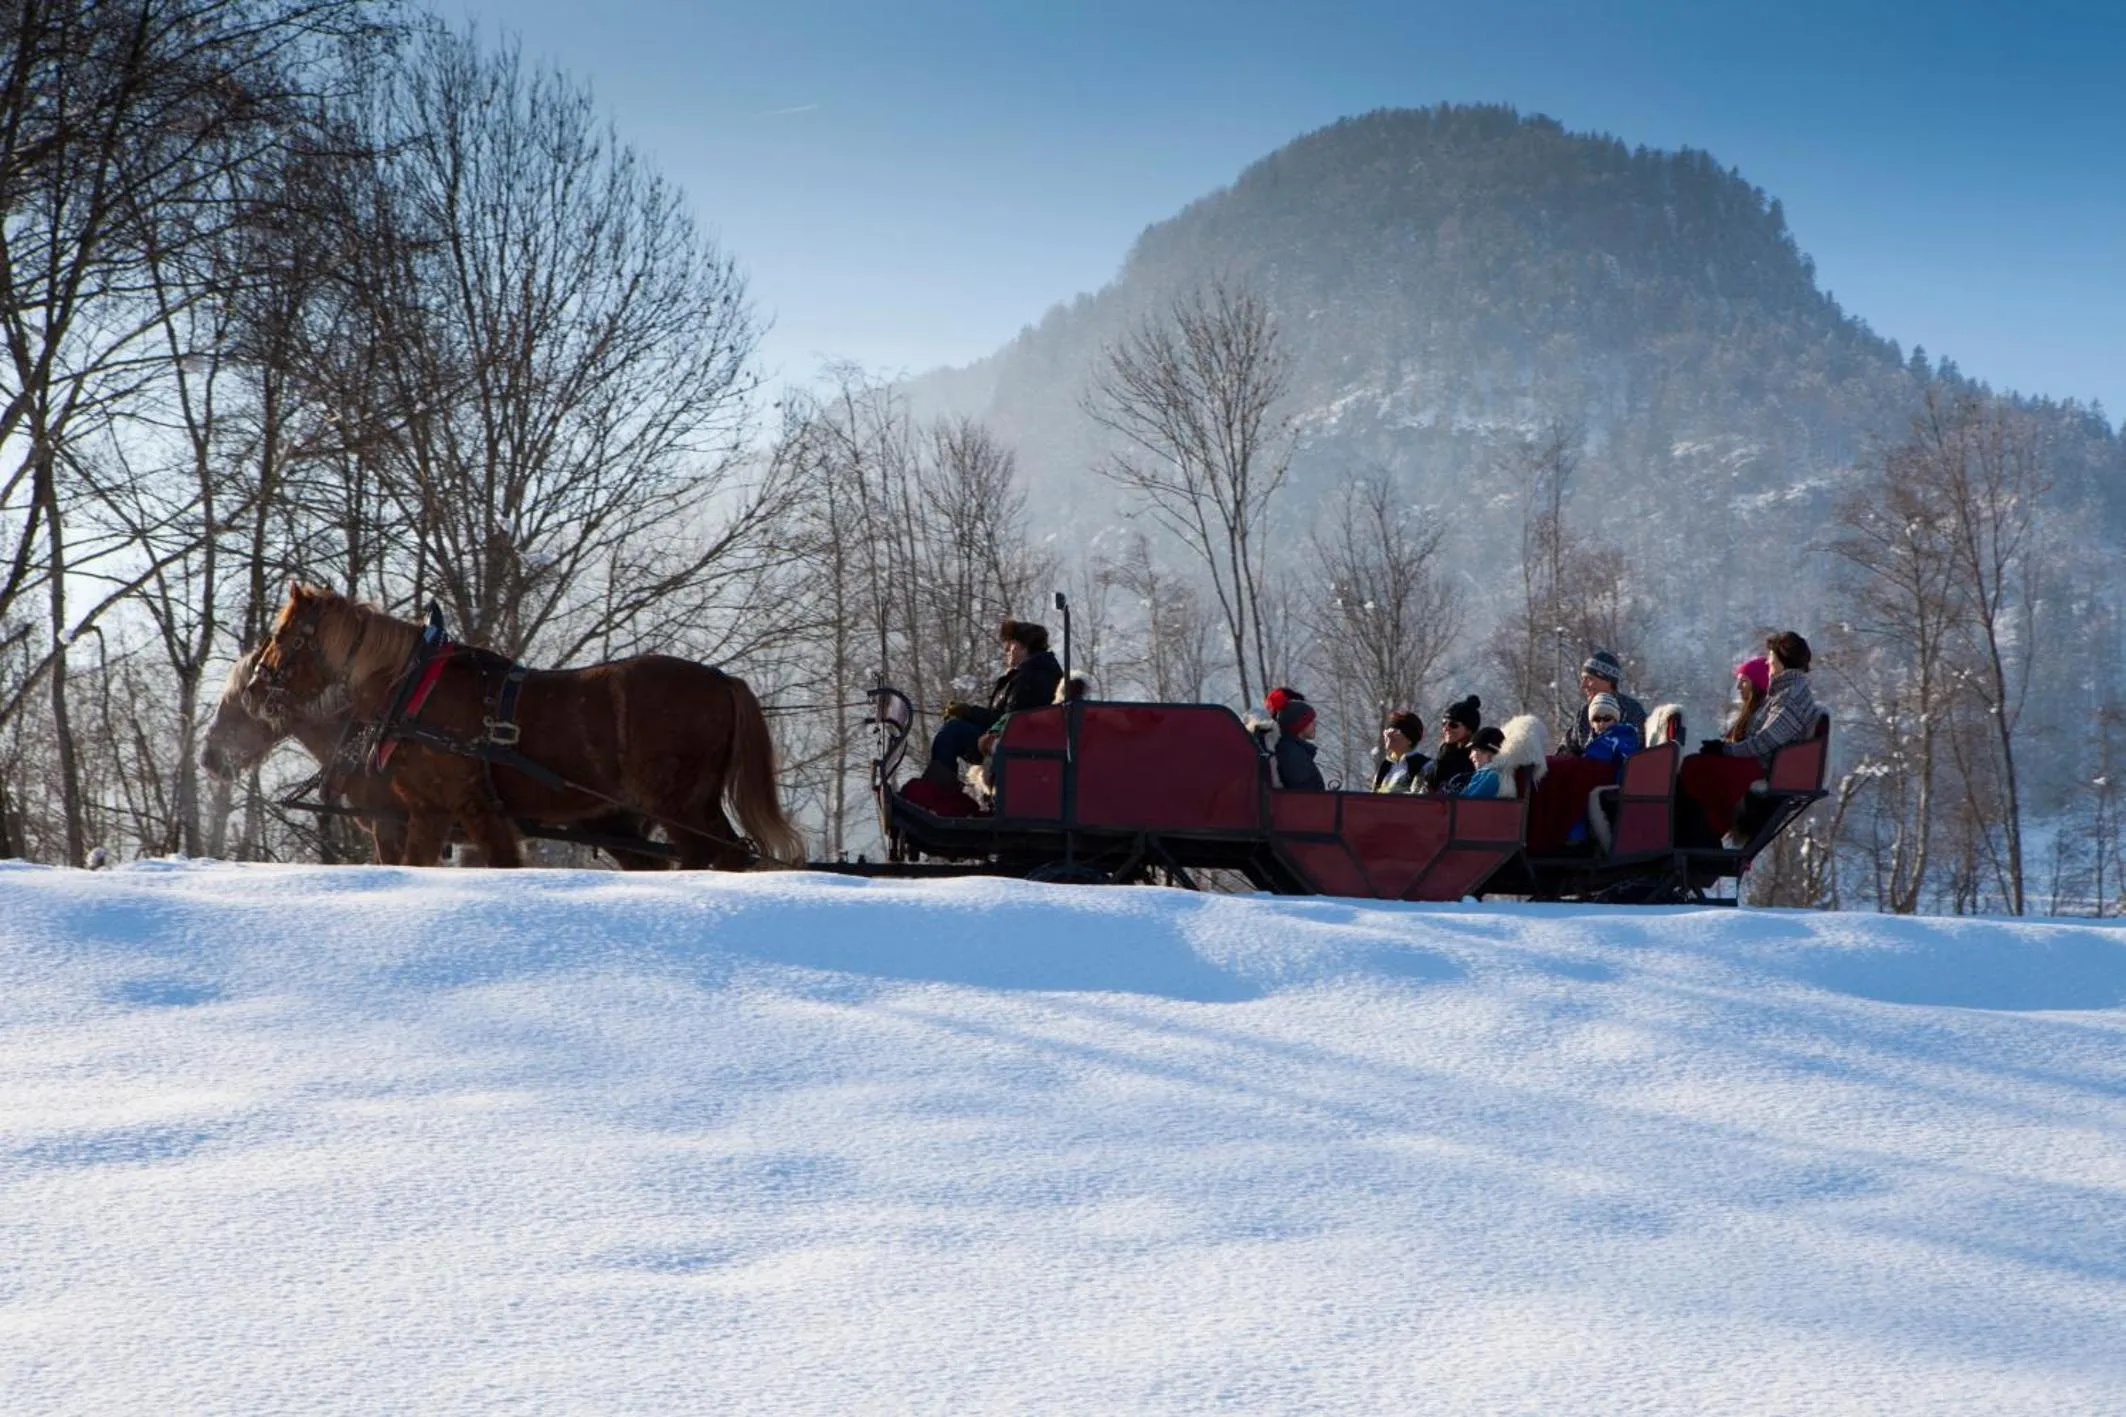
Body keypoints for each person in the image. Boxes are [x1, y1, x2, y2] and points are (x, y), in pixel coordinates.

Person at [1687, 630, 1824, 845]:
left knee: (1693, 767)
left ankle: (1707, 834)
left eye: (1770, 661)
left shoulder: (1791, 696)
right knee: (1698, 765)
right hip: (1757, 761)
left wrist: (1726, 751)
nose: (1768, 666)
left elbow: (1766, 741)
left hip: (1761, 766)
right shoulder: (1784, 692)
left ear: (1782, 662)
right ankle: (1706, 830)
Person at [918, 618, 1063, 793]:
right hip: (1010, 741)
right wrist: (967, 713)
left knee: (952, 732)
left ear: (1025, 646)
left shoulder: (1032, 677)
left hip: (1014, 747)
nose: (1007, 650)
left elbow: (1011, 721)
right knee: (953, 729)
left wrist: (969, 712)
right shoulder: (1032, 673)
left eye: (1012, 645)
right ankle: (942, 790)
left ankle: (939, 794)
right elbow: (1004, 717)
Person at [1561, 649, 1649, 754]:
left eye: (1589, 679)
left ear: (1607, 680)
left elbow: (1641, 753)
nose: (1583, 685)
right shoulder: (1584, 713)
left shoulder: (1632, 710)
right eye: (1582, 679)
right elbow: (1566, 750)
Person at [1421, 695, 1481, 793]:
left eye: (1454, 724)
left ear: (1469, 730)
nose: (1446, 728)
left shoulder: (1475, 759)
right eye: (1444, 722)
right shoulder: (1442, 755)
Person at [1270, 697, 1326, 791]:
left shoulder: (1294, 751)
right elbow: (1305, 798)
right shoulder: (1292, 754)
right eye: (1310, 721)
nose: (1315, 724)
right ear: (1299, 725)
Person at [1372, 709, 1429, 793]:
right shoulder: (1385, 767)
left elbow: (1419, 800)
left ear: (1410, 739)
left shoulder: (1421, 765)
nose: (1389, 734)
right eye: (1388, 729)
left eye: (1396, 730)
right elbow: (1372, 799)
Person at [1580, 692, 1642, 769]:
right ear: (1591, 723)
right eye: (1597, 719)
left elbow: (1601, 754)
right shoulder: (1591, 743)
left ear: (1615, 721)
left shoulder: (1624, 737)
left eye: (1607, 719)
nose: (1601, 723)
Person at [1725, 654, 1770, 744]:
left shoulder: (1763, 713)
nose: (1738, 687)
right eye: (1739, 681)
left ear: (1758, 684)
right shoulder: (1749, 710)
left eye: (1744, 681)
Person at [1457, 726, 1507, 799]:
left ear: (1489, 753)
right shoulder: (1483, 774)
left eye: (1474, 750)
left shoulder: (1493, 777)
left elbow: (1467, 803)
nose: (1470, 756)